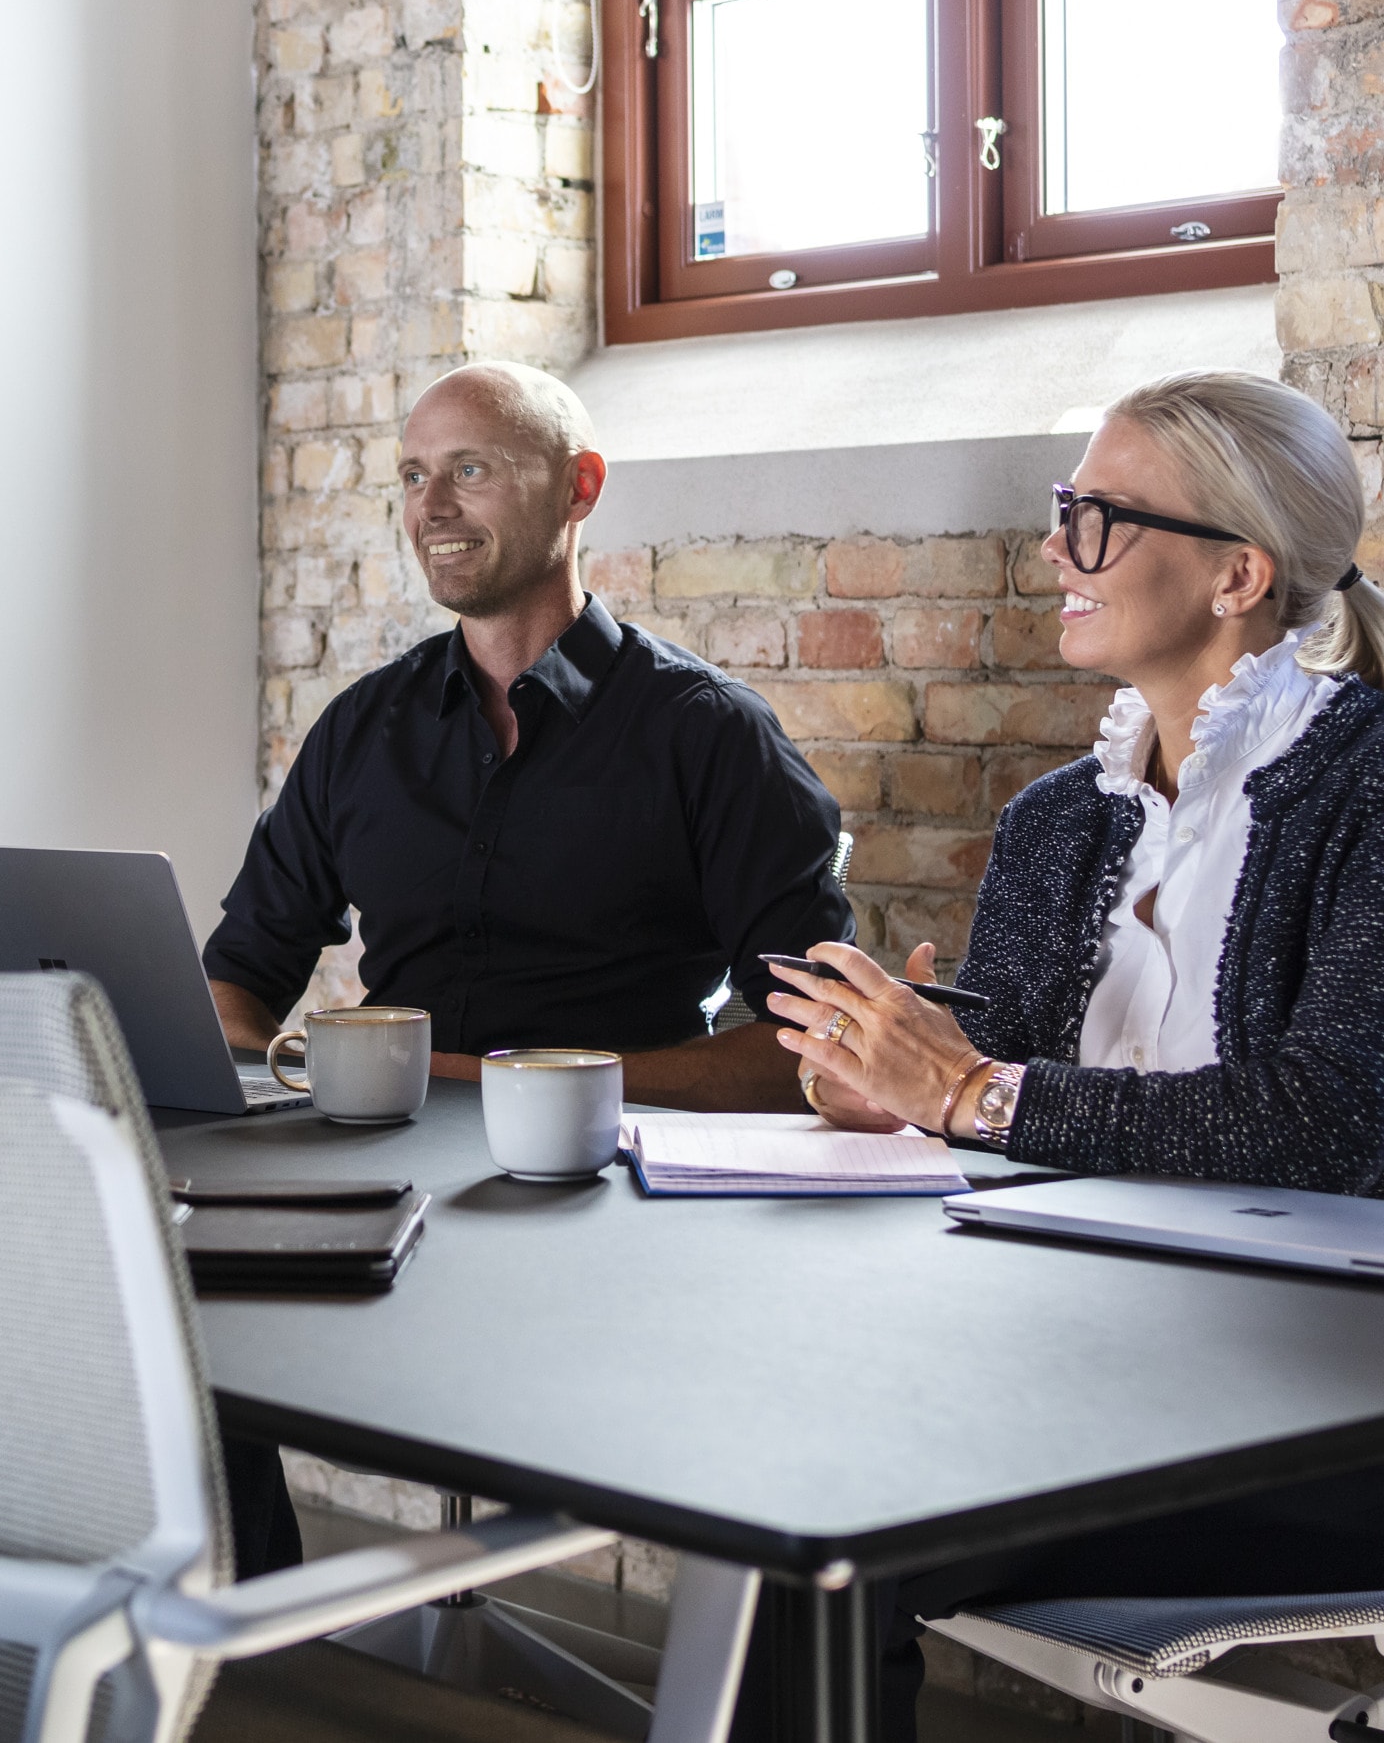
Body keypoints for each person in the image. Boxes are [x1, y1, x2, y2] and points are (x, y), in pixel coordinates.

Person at [764, 369, 1384, 1743]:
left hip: (1317, 1407)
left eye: (1099, 516)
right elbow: (1020, 1077)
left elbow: (1334, 1122)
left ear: (1239, 573)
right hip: (1076, 1361)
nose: (1057, 548)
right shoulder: (1064, 819)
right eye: (1065, 510)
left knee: (814, 1496)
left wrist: (975, 1091)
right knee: (773, 1439)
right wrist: (900, 1079)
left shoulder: (1371, 790)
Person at [205, 359, 855, 1112]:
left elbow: (816, 1044)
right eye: (414, 477)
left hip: (606, 1174)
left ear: (579, 487)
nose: (431, 508)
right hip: (374, 1157)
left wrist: (476, 1083)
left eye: (469, 469)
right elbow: (232, 991)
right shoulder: (359, 727)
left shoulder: (712, 732)